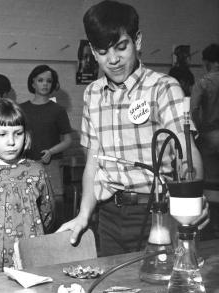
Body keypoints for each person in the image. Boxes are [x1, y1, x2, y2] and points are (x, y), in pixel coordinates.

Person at [58, 0, 208, 256]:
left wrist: (191, 200)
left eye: (121, 47)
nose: (113, 59)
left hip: (158, 212)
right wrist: (83, 215)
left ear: (137, 41)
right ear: (93, 53)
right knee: (114, 292)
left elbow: (185, 153)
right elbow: (93, 164)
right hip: (108, 216)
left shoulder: (163, 87)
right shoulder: (93, 93)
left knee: (160, 290)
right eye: (103, 52)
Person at [0, 98, 53, 272]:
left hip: (32, 255)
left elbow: (48, 212)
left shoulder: (36, 170)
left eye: (18, 133)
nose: (11, 142)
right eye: (2, 134)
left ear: (26, 134)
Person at [20, 65, 72, 230]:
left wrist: (51, 151)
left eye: (49, 81)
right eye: (40, 80)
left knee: (55, 204)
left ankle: (57, 243)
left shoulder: (58, 110)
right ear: (33, 83)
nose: (45, 84)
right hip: (26, 164)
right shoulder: (21, 109)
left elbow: (68, 140)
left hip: (52, 165)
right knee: (28, 202)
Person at [190, 43, 219, 182]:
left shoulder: (203, 83)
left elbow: (194, 109)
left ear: (207, 62)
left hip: (210, 135)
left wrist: (200, 128)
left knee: (211, 179)